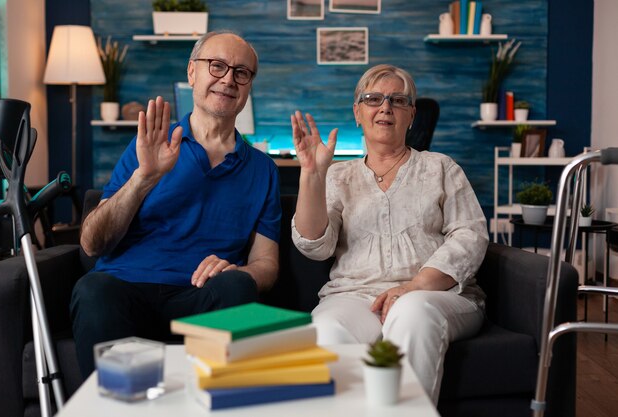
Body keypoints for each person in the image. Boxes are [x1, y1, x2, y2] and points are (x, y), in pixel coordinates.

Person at [71, 31, 281, 377]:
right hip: (126, 290)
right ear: (192, 73)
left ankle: (215, 402)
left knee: (239, 285)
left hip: (202, 298)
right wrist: (144, 177)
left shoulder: (263, 170)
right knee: (94, 288)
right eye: (217, 66)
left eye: (241, 72)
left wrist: (239, 272)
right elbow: (92, 243)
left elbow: (266, 265)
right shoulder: (149, 146)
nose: (228, 79)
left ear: (249, 85)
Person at [290, 64, 488, 404]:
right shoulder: (339, 176)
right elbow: (315, 246)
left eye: (397, 100)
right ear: (358, 112)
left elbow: (470, 236)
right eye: (373, 98)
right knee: (324, 330)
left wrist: (413, 287)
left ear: (411, 114)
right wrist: (312, 175)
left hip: (432, 296)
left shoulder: (441, 167)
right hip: (353, 296)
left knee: (412, 311)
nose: (385, 107)